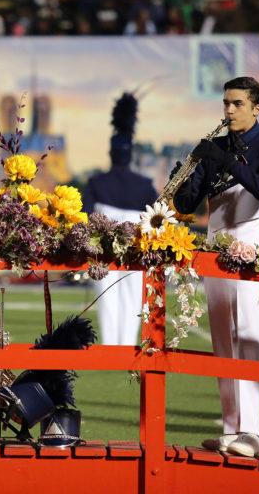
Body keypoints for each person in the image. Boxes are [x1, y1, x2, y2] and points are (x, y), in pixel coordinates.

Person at [173, 77, 259, 457]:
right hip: (213, 249)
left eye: (237, 104)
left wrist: (224, 161)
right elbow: (188, 205)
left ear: (256, 107)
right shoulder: (218, 146)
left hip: (250, 245)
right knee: (223, 341)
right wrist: (187, 173)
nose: (228, 110)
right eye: (225, 103)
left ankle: (252, 432)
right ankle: (230, 428)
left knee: (249, 336)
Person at [83, 93, 157, 346]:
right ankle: (126, 344)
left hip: (104, 250)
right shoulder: (144, 185)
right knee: (133, 297)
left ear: (111, 152)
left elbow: (85, 214)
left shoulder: (96, 182)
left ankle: (111, 345)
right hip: (136, 248)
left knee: (106, 296)